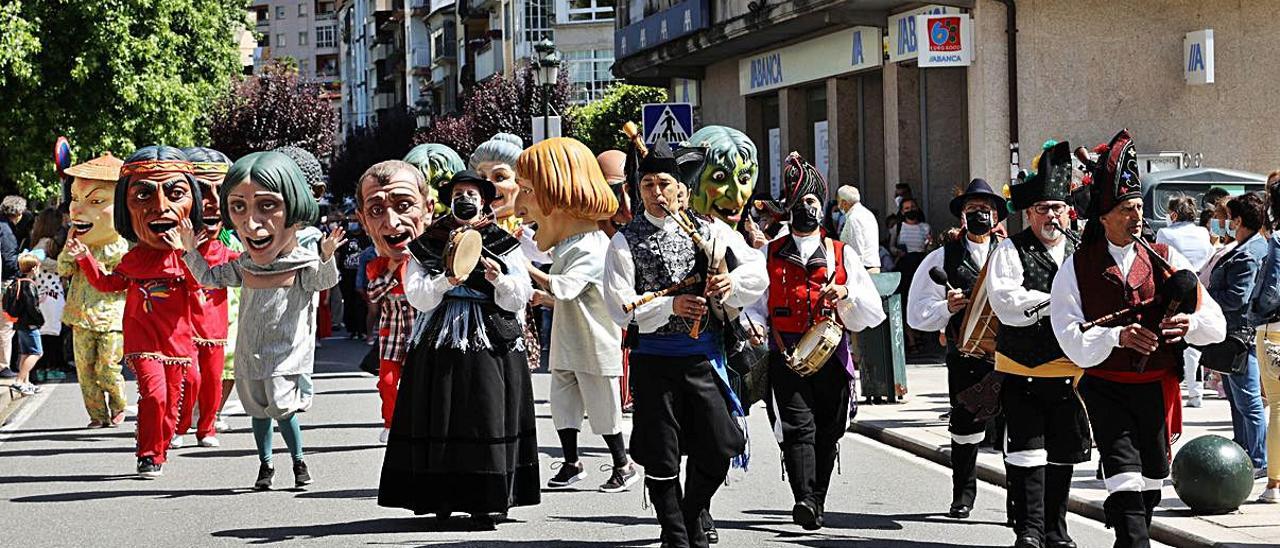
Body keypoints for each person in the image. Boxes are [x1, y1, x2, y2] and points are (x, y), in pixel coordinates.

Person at [1050, 130, 1225, 547]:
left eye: (1139, 208)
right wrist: (1116, 336)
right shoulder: (1077, 267)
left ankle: (1129, 535)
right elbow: (1068, 337)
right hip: (1106, 388)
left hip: (1157, 389)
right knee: (1123, 474)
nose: (1137, 216)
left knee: (1151, 479)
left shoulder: (1165, 259)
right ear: (1104, 216)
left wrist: (1190, 326)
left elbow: (1214, 322)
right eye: (1127, 209)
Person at [603, 142, 766, 548]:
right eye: (646, 184)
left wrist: (730, 285)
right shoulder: (625, 242)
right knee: (661, 457)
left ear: (680, 189)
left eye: (663, 183)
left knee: (718, 445)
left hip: (704, 359)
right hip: (654, 362)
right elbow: (620, 307)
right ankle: (675, 535)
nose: (655, 193)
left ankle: (691, 514)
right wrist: (669, 304)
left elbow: (756, 273)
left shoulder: (710, 231)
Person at [379, 169, 539, 527]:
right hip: (441, 336)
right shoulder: (428, 241)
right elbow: (417, 295)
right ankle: (440, 497)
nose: (465, 198)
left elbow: (521, 295)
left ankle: (487, 500)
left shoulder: (502, 242)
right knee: (442, 411)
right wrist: (444, 281)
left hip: (490, 337)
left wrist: (500, 280)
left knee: (486, 412)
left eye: (472, 192)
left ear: (484, 200)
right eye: (459, 192)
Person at [175, 150, 343, 490]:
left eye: (267, 206)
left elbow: (323, 283)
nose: (251, 224)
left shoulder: (302, 263)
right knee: (259, 412)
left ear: (295, 210)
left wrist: (326, 257)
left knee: (283, 410)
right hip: (250, 353)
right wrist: (189, 250)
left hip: (285, 354)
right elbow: (209, 277)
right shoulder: (244, 264)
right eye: (239, 207)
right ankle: (265, 466)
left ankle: (298, 462)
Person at [764, 154, 885, 530]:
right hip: (786, 356)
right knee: (799, 428)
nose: (806, 209)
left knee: (827, 431)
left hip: (831, 357)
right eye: (800, 203)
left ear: (824, 208)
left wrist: (845, 293)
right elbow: (755, 303)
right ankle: (803, 499)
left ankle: (817, 499)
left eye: (813, 203)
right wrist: (753, 326)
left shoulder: (840, 252)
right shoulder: (768, 252)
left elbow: (872, 311)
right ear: (789, 209)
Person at [68, 145, 204, 478]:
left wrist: (185, 253)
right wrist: (84, 256)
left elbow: (199, 289)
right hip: (143, 343)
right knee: (154, 396)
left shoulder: (188, 257)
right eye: (144, 195)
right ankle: (147, 454)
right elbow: (106, 284)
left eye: (175, 194)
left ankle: (161, 442)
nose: (161, 207)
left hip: (177, 345)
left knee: (171, 404)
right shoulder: (133, 258)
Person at [515, 137, 638, 492]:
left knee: (602, 405)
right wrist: (541, 295)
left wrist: (526, 269)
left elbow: (567, 286)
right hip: (569, 338)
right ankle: (572, 462)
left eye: (527, 191)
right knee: (563, 401)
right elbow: (571, 296)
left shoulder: (594, 244)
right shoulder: (569, 244)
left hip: (595, 342)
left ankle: (622, 462)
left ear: (561, 193)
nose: (520, 205)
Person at [987, 141, 1089, 548]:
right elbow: (1007, 301)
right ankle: (1028, 530)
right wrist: (1057, 304)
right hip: (1021, 368)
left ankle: (1056, 529)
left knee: (1063, 453)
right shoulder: (1009, 250)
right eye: (1043, 208)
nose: (1051, 215)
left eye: (1057, 208)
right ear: (1029, 213)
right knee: (1028, 452)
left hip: (1069, 371)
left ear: (1068, 211)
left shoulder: (1082, 251)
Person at [906, 178, 1007, 520]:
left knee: (1015, 430)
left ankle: (1018, 504)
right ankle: (962, 495)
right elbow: (917, 313)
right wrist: (947, 308)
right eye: (972, 209)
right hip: (965, 358)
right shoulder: (942, 256)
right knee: (965, 429)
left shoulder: (1011, 254)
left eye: (986, 209)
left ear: (996, 216)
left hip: (1010, 357)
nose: (980, 215)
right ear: (962, 216)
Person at [353, 160, 433, 443]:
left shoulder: (440, 258)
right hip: (393, 335)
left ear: (428, 208)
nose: (391, 222)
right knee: (387, 382)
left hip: (429, 338)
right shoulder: (376, 265)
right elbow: (373, 296)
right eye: (376, 210)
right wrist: (390, 270)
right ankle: (390, 422)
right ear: (362, 220)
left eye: (403, 206)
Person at [169, 146, 238, 449]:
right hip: (185, 332)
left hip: (218, 332)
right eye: (202, 192)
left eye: (219, 192)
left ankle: (206, 428)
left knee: (212, 383)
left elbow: (260, 266)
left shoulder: (229, 249)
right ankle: (181, 426)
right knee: (191, 380)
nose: (211, 203)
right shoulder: (171, 247)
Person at [58, 152, 129, 427]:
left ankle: (119, 404)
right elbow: (64, 269)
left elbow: (118, 277)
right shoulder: (75, 241)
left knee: (108, 368)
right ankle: (97, 415)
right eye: (75, 199)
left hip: (112, 316)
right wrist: (71, 249)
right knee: (85, 371)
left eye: (95, 201)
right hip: (79, 315)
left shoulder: (121, 246)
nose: (77, 209)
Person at [1206, 192, 1269, 475]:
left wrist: (1205, 296)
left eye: (1229, 219)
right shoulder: (1248, 247)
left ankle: (1256, 459)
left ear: (1239, 220)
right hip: (1235, 335)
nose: (1226, 224)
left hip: (1240, 336)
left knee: (1247, 399)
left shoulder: (1248, 254)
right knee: (1237, 398)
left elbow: (1236, 297)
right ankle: (1243, 451)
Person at [1156, 196, 1214, 408]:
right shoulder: (1202, 232)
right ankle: (1196, 391)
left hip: (1178, 287)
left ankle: (1187, 388)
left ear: (1173, 213)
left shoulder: (1165, 233)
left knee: (1181, 339)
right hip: (1201, 285)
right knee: (1195, 341)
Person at [1251, 173, 1280, 503]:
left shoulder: (1277, 240)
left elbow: (1272, 288)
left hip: (1275, 327)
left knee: (1278, 408)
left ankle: (1274, 484)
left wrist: (1255, 312)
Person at [29, 207, 66, 379]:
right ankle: (51, 368)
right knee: (52, 330)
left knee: (45, 330)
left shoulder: (38, 239)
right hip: (51, 291)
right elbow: (37, 259)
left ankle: (43, 369)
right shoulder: (46, 241)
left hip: (42, 290)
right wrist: (61, 266)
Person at [5, 251, 46, 395]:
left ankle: (26, 383)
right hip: (30, 324)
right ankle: (19, 381)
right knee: (36, 352)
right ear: (34, 268)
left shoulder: (18, 282)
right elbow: (31, 308)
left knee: (25, 352)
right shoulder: (29, 284)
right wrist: (40, 320)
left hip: (20, 323)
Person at [837, 185, 880, 273]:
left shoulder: (854, 218)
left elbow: (857, 249)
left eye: (839, 201)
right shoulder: (867, 213)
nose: (838, 205)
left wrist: (855, 274)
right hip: (870, 267)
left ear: (844, 203)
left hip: (863, 270)